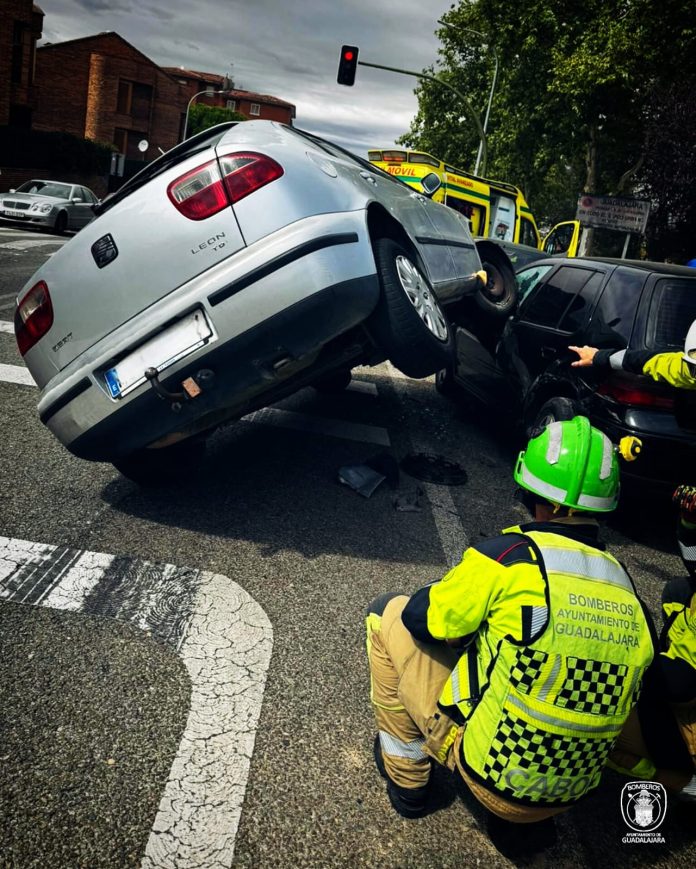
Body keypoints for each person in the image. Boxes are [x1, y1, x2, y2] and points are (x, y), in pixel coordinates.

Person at [365, 417, 654, 858]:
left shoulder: (509, 556)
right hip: (571, 791)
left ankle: (407, 780)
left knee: (386, 612)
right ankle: (522, 826)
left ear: (533, 493)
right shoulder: (627, 588)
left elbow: (424, 620)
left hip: (490, 775)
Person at [607, 484, 696, 798]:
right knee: (679, 592)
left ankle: (685, 782)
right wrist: (689, 520)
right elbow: (694, 562)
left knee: (602, 712)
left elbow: (681, 685)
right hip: (685, 683)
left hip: (685, 693)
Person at [568, 320, 696, 388]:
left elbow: (647, 361)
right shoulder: (685, 368)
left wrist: (598, 356)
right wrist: (599, 356)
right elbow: (649, 361)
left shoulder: (687, 368)